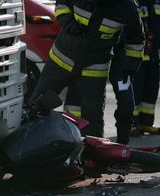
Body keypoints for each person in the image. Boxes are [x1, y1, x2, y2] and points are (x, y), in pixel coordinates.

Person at [30, 0, 144, 138]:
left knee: (92, 118)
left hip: (95, 68)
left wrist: (130, 66)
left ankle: (90, 154)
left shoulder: (127, 7)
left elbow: (136, 40)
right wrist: (67, 22)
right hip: (62, 60)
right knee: (37, 105)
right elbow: (62, 4)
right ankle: (27, 144)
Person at [130, 0, 160, 136]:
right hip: (137, 56)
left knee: (151, 91)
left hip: (155, 56)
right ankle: (131, 123)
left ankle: (146, 123)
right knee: (135, 91)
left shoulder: (158, 2)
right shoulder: (134, 2)